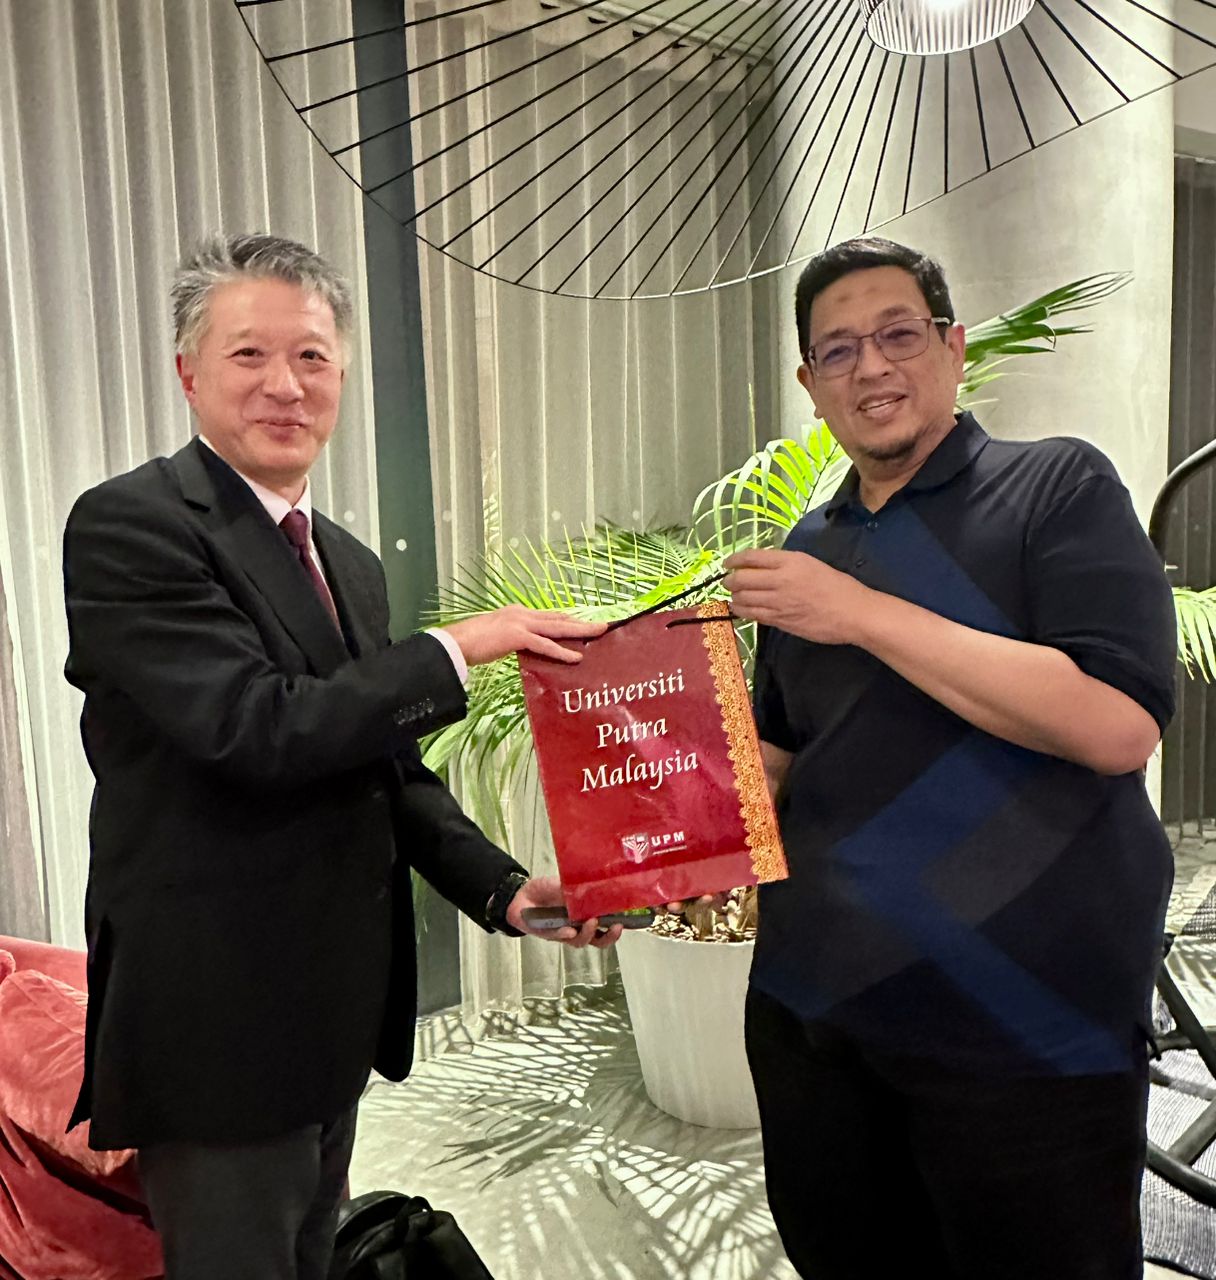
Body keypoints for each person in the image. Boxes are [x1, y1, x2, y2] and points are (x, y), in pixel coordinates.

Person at [61, 232, 619, 1280]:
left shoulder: (347, 562)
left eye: (312, 356)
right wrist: (461, 646)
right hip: (216, 1022)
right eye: (249, 354)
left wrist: (504, 889)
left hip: (328, 1014)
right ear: (188, 372)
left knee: (313, 1253)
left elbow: (383, 764)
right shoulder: (132, 525)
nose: (286, 384)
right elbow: (255, 727)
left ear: (343, 375)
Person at [724, 236, 1176, 1279]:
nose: (871, 367)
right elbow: (778, 757)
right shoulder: (806, 550)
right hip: (814, 1017)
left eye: (898, 334)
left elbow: (1116, 724)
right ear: (810, 383)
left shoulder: (1054, 485)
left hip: (1026, 1027)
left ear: (953, 346)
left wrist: (859, 613)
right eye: (838, 350)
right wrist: (636, 846)